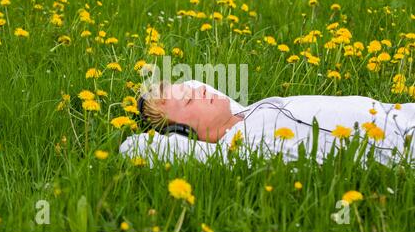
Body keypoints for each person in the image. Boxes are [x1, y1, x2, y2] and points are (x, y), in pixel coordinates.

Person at [137, 80, 415, 164]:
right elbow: (135, 147)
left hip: (401, 112)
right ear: (182, 133)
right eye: (188, 101)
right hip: (403, 144)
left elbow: (197, 83)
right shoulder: (238, 151)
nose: (199, 91)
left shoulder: (244, 111)